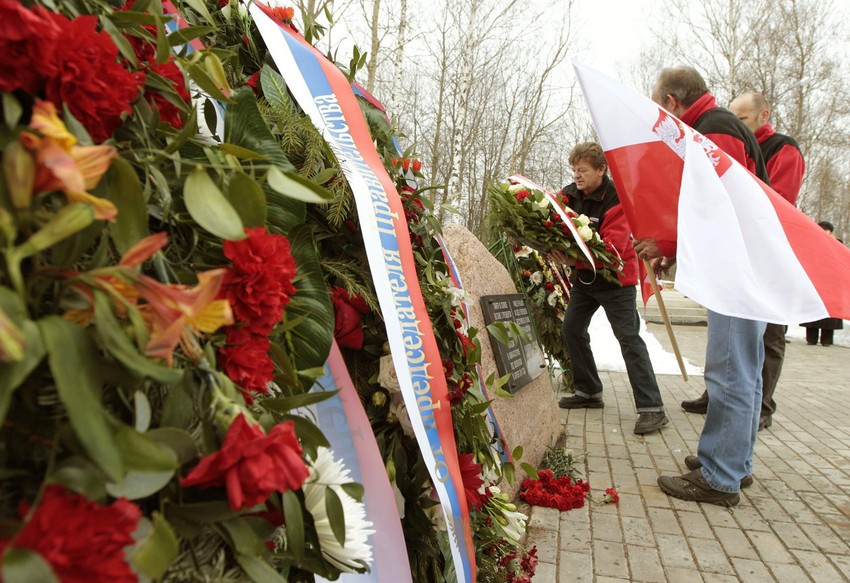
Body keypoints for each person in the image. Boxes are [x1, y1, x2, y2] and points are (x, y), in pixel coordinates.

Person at [634, 66, 771, 506]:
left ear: (673, 101)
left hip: (736, 268)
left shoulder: (714, 130)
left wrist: (667, 243)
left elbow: (720, 208)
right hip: (745, 265)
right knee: (744, 374)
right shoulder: (720, 126)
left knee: (729, 372)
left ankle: (720, 476)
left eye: (659, 105)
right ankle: (733, 460)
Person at [681, 92, 806, 432]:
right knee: (732, 351)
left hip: (766, 254)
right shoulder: (733, 137)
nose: (736, 123)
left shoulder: (784, 149)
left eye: (744, 118)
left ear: (763, 115)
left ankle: (761, 405)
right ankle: (721, 403)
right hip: (736, 256)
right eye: (733, 116)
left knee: (766, 337)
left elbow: (775, 202)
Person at [550, 142, 668, 436]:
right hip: (585, 280)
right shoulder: (568, 195)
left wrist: (571, 256)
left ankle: (652, 408)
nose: (577, 176)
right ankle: (589, 391)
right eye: (574, 170)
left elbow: (611, 246)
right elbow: (552, 221)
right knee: (572, 329)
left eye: (584, 170)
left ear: (601, 170)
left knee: (628, 338)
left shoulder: (617, 199)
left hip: (616, 280)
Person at [801, 221, 844, 345]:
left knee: (830, 313)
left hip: (832, 282)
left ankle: (826, 339)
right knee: (813, 309)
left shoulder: (837, 244)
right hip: (815, 281)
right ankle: (811, 338)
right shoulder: (811, 244)